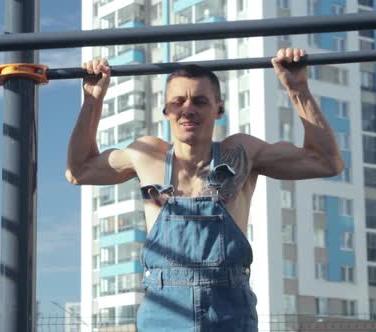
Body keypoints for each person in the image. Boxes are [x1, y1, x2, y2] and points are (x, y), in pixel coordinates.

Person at [65, 48, 345, 331]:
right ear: (166, 110)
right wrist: (92, 99)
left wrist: (298, 89)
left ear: (218, 108)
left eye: (199, 101)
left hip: (228, 313)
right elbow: (78, 171)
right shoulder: (147, 153)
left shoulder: (241, 151)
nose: (188, 109)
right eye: (178, 101)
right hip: (164, 313)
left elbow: (325, 162)